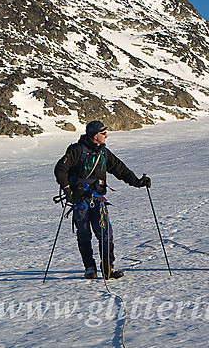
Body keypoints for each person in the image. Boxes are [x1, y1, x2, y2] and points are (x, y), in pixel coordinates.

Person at [54, 120, 151, 279]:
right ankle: (90, 268)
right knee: (84, 234)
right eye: (103, 133)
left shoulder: (104, 153)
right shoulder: (77, 150)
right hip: (80, 201)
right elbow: (60, 169)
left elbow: (120, 170)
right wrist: (66, 188)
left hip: (98, 200)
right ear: (94, 136)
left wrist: (138, 182)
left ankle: (107, 269)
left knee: (105, 234)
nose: (107, 135)